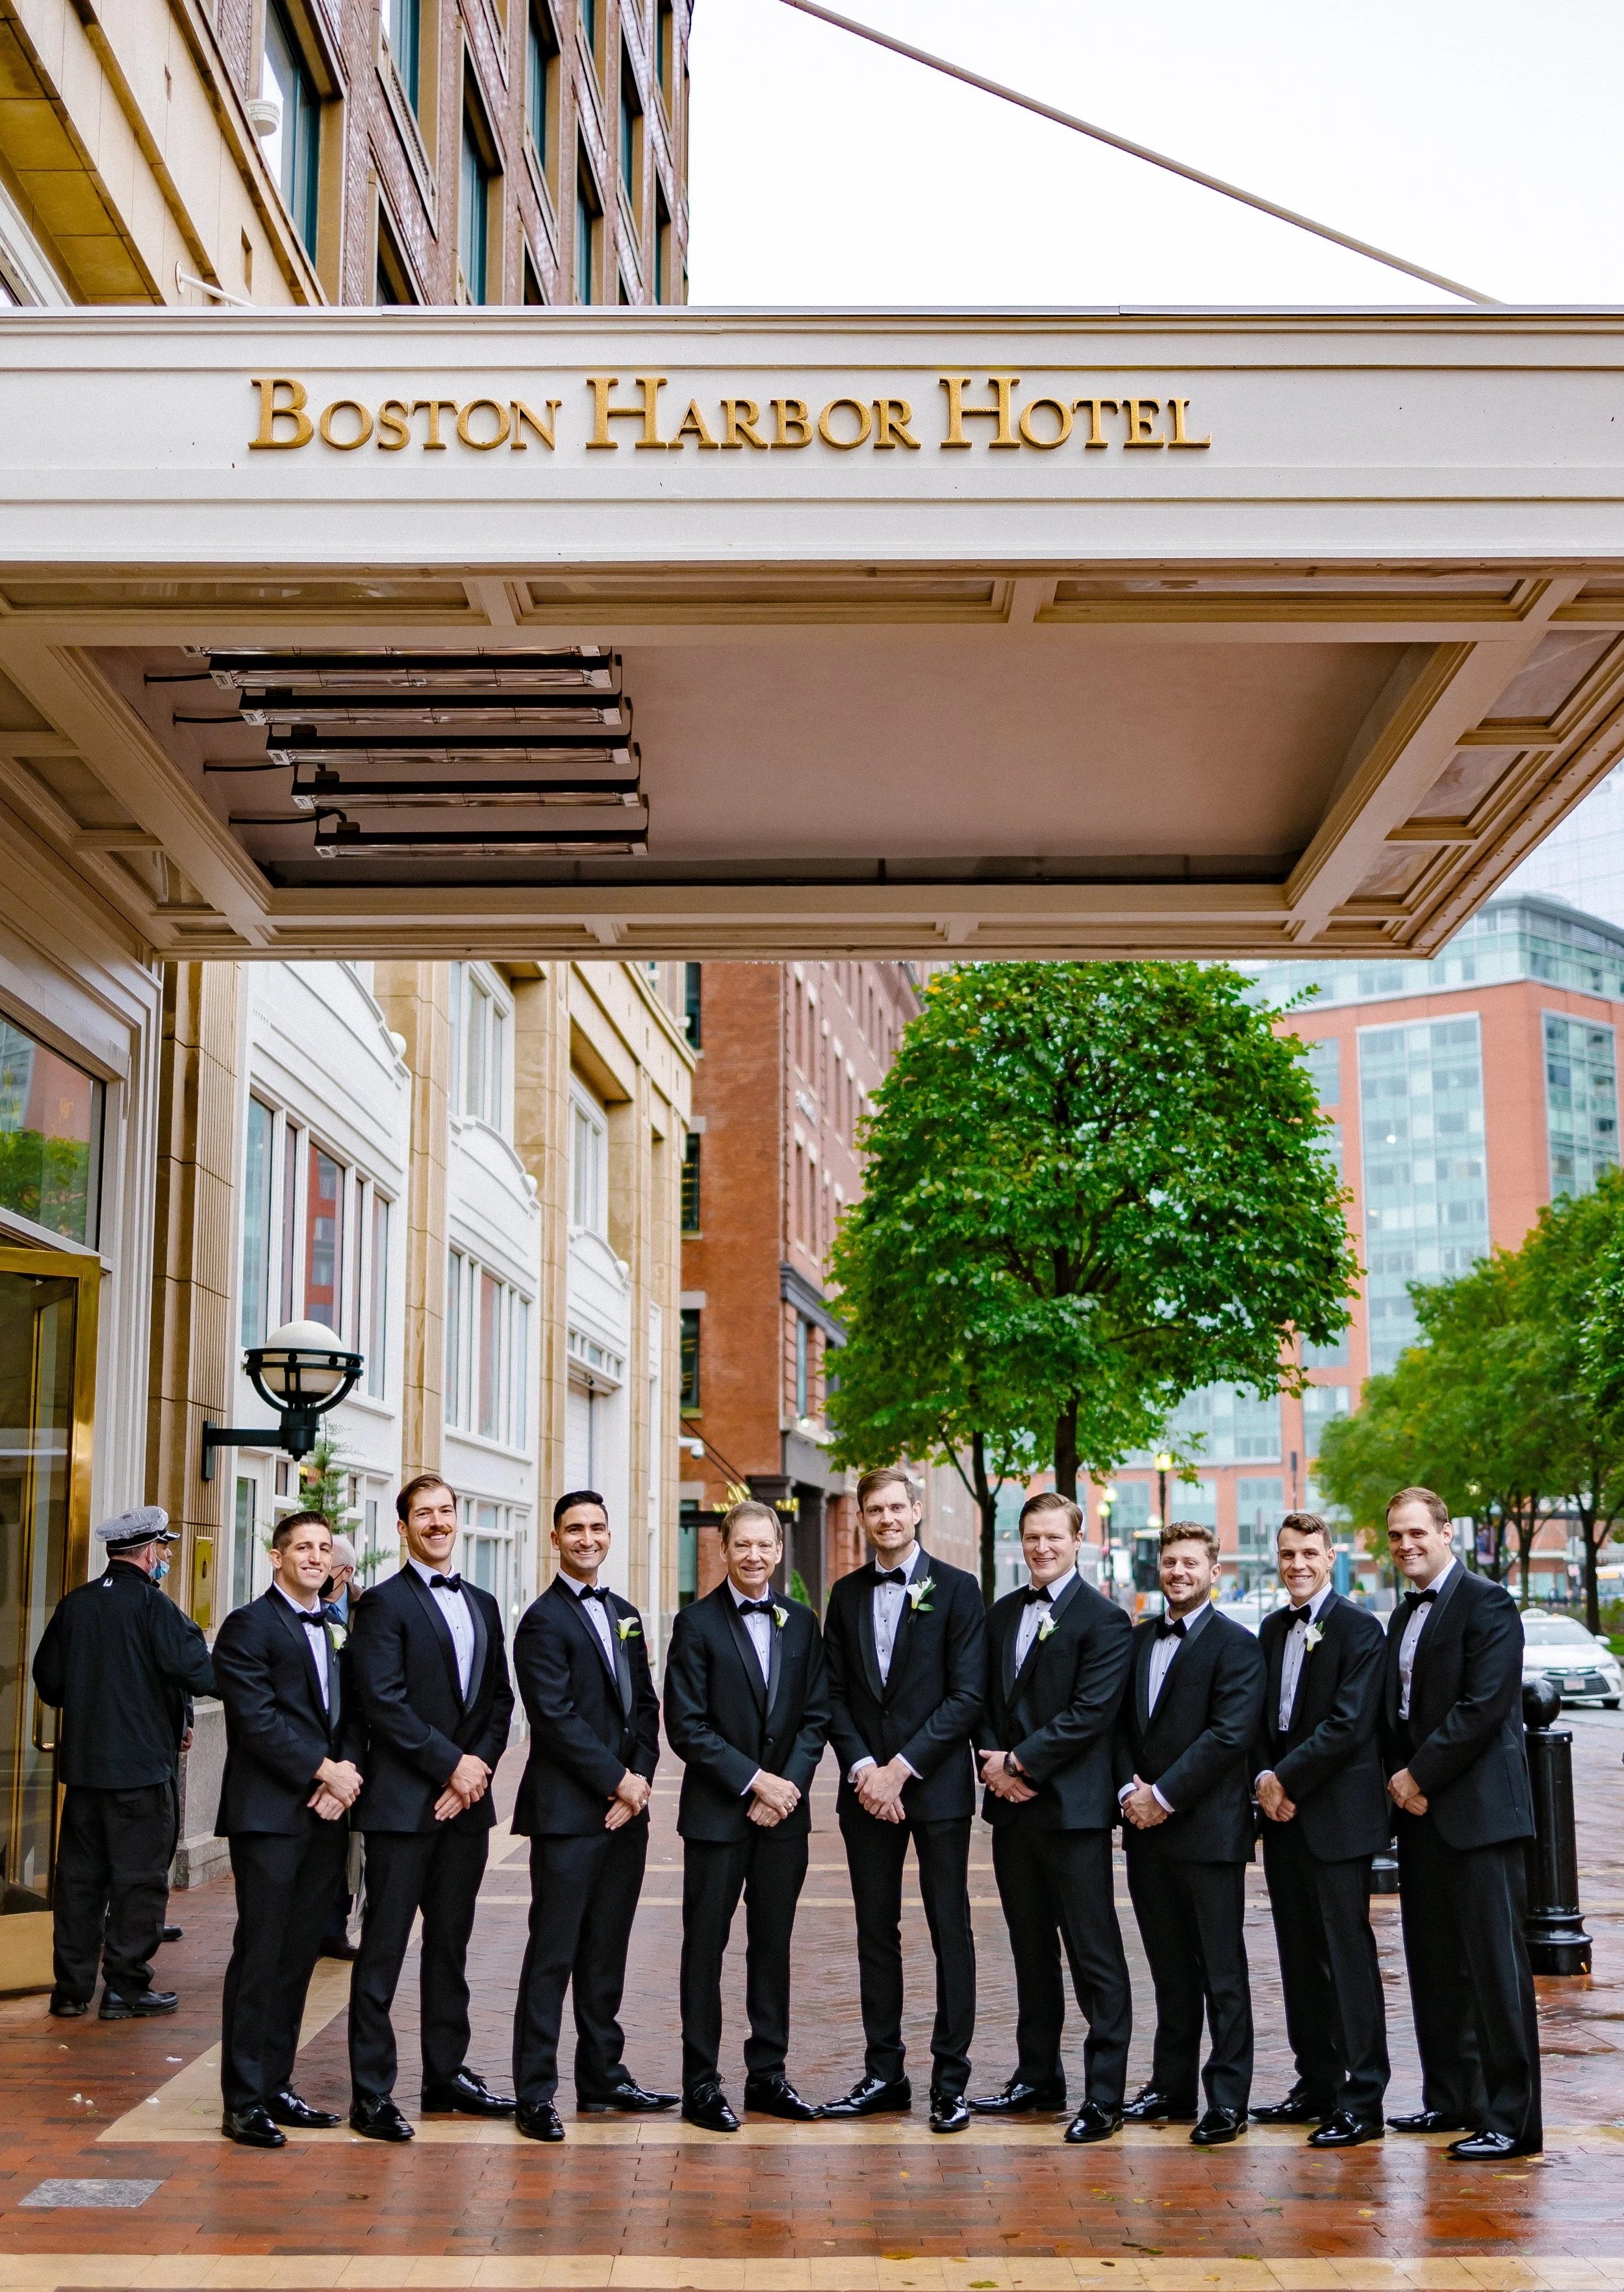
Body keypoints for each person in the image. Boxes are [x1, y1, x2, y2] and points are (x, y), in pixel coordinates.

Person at [346, 1473, 516, 2140]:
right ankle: (372, 2093)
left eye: (447, 1511)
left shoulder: (483, 1601)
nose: (439, 1523)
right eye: (425, 1513)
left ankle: (445, 2077)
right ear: (403, 1526)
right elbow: (382, 1703)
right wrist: (451, 1765)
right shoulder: (383, 1606)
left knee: (450, 1949)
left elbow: (499, 1700)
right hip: (401, 1808)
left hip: (465, 1809)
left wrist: (476, 1772)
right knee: (383, 1950)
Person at [820, 1468, 986, 2134]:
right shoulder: (845, 1594)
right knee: (874, 1933)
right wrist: (865, 1769)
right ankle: (883, 2073)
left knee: (951, 1930)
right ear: (862, 1517)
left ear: (916, 1510)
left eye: (897, 1506)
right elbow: (831, 1693)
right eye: (875, 1509)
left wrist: (901, 1770)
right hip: (866, 1794)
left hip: (936, 1788)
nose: (887, 1518)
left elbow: (966, 1696)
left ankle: (951, 2083)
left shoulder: (958, 1591)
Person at [1380, 1485, 1541, 2161]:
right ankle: (1449, 2099)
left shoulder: (1488, 1603)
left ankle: (1512, 2119)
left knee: (1495, 1972)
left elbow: (1481, 1708)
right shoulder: (1399, 1617)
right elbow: (1394, 1712)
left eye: (1417, 1532)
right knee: (1436, 1965)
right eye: (1395, 1536)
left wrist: (1416, 1776)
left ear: (1446, 1533)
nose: (1406, 1545)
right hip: (1420, 1819)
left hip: (1477, 1818)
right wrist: (1398, 1779)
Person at [970, 1491, 1135, 2145]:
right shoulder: (1002, 1614)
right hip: (1012, 1815)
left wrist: (1019, 1763)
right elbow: (981, 1695)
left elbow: (1091, 1714)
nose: (1042, 1549)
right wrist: (991, 1766)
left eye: (1054, 1539)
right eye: (1032, 1538)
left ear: (1078, 1539)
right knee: (1029, 1949)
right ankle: (1037, 2075)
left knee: (1094, 1956)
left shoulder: (1105, 1620)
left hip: (1073, 1814)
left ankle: (1104, 2096)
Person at [661, 1496, 830, 2131]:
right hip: (716, 1817)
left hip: (783, 1819)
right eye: (743, 1545)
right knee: (704, 1949)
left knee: (773, 1949)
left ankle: (768, 2076)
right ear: (723, 1550)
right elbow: (686, 1725)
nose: (754, 1555)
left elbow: (817, 1716)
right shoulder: (696, 1624)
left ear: (778, 1551)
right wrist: (754, 1782)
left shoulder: (802, 1623)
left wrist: (787, 1786)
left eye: (765, 1545)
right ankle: (701, 2084)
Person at [508, 1489, 672, 2143]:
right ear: (556, 1538)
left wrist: (640, 1782)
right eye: (574, 1529)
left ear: (610, 1535)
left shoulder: (626, 1613)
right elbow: (554, 1720)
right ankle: (535, 2093)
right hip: (569, 1817)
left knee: (607, 1952)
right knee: (553, 1955)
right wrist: (615, 1782)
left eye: (597, 1528)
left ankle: (603, 2075)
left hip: (624, 1815)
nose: (587, 1538)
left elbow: (645, 1709)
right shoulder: (541, 1621)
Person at [211, 1510, 365, 2147]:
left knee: (301, 1952)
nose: (314, 1556)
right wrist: (325, 1771)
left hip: (325, 1816)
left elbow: (352, 1710)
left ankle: (277, 2084)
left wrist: (345, 1775)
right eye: (302, 1547)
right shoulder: (247, 1626)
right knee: (262, 1953)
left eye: (323, 1548)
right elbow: (257, 1720)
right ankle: (242, 2100)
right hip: (269, 1816)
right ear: (277, 1557)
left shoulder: (333, 1625)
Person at [1114, 1521, 1266, 2146]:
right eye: (1170, 1563)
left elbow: (1228, 1737)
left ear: (1214, 1573)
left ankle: (1227, 2098)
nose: (1178, 1573)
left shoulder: (1238, 1646)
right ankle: (1171, 2086)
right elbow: (1117, 1723)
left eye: (1191, 1564)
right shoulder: (1137, 1638)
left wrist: (1164, 1797)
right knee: (1169, 1968)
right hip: (1144, 1832)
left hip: (1209, 1833)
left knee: (1221, 1971)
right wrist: (1129, 1791)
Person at [32, 1507, 214, 2022]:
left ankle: (71, 1990)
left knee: (80, 1883)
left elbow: (49, 1682)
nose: (169, 1558)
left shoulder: (77, 1605)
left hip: (86, 1773)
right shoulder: (156, 1608)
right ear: (150, 1551)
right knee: (139, 1882)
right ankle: (126, 1987)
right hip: (141, 1774)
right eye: (165, 1548)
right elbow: (197, 1672)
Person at [1250, 1512, 1390, 2146]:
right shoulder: (1270, 1628)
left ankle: (1362, 2100)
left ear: (1330, 1556)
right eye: (1286, 1554)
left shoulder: (1361, 1629)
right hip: (1280, 1821)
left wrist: (1285, 1780)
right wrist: (1261, 1779)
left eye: (1308, 1552)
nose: (1297, 1564)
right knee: (1298, 1958)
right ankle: (1315, 2084)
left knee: (1346, 1958)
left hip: (1335, 1820)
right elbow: (1256, 1718)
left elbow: (1349, 1723)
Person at [323, 1536, 359, 1625]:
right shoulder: (301, 1604)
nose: (319, 1572)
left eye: (327, 1567)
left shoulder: (367, 1604)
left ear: (347, 1572)